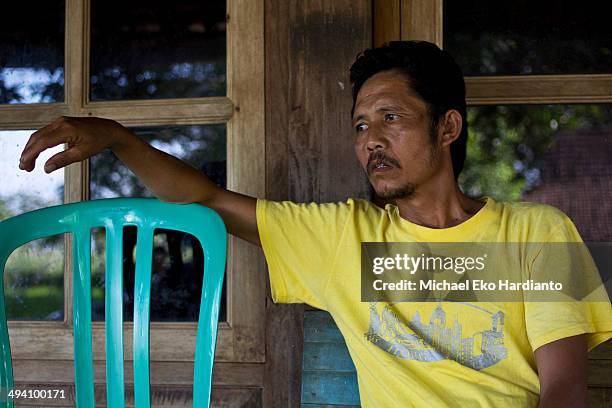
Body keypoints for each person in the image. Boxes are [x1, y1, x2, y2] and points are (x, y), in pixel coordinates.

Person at [18, 41, 611, 407]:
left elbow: (565, 388)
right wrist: (119, 140)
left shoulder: (537, 231)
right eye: (359, 126)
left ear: (447, 128)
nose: (370, 139)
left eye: (391, 117)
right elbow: (202, 198)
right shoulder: (342, 237)